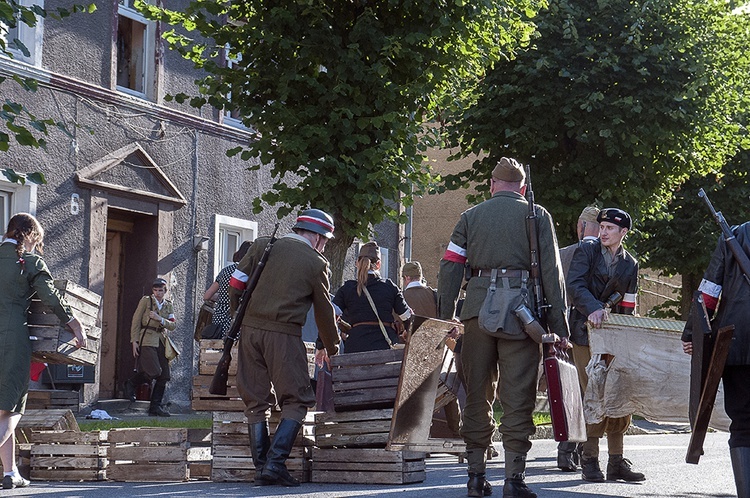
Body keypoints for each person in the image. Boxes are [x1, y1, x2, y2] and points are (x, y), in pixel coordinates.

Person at [437, 157, 568, 498]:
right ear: (522, 188)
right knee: (518, 396)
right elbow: (552, 273)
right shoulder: (538, 215)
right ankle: (514, 479)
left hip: (476, 312)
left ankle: (475, 476)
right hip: (522, 316)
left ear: (492, 185)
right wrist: (559, 326)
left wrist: (444, 315)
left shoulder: (471, 216)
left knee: (476, 393)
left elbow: (450, 267)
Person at [229, 209, 340, 487]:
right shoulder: (316, 262)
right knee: (297, 398)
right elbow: (324, 311)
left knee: (255, 400)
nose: (324, 245)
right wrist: (330, 345)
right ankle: (275, 464)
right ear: (316, 237)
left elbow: (236, 283)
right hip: (284, 334)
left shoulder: (261, 244)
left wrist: (238, 318)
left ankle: (261, 468)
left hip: (249, 332)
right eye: (325, 240)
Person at [0, 213, 86, 490]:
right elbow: (52, 297)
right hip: (12, 336)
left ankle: (10, 472)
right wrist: (77, 326)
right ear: (30, 235)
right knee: (12, 408)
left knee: (1, 410)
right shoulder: (29, 261)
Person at [567, 207, 643, 483]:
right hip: (584, 333)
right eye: (601, 227)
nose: (603, 232)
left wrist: (628, 337)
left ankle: (616, 460)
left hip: (615, 337)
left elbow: (629, 304)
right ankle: (589, 459)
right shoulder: (586, 252)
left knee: (618, 395)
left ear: (623, 232)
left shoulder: (630, 263)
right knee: (594, 394)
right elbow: (574, 286)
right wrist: (594, 309)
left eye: (610, 228)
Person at [681, 219, 750, 498]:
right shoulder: (730, 236)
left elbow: (708, 291)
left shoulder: (733, 235)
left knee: (743, 423)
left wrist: (691, 334)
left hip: (734, 343)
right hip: (735, 344)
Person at [555, 205, 600, 472]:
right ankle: (584, 449)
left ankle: (566, 450)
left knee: (567, 391)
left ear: (580, 226)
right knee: (588, 390)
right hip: (595, 329)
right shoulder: (608, 254)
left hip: (565, 330)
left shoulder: (563, 255)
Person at [402, 260, 462, 439]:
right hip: (436, 351)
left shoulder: (401, 297)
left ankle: (420, 435)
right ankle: (457, 431)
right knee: (446, 392)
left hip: (412, 353)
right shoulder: (434, 295)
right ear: (420, 276)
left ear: (406, 278)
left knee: (415, 395)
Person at [332, 242, 412, 353]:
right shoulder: (389, 287)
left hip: (355, 348)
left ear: (357, 263)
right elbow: (407, 318)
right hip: (384, 348)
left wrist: (322, 345)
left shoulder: (348, 288)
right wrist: (406, 333)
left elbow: (329, 316)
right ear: (378, 264)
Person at [124, 277, 177, 417]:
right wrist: (134, 341)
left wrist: (160, 319)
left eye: (160, 290)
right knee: (154, 371)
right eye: (155, 290)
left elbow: (172, 325)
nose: (158, 293)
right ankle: (131, 383)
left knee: (164, 375)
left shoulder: (168, 305)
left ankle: (155, 407)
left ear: (165, 291)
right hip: (147, 338)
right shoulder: (146, 301)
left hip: (161, 339)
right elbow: (135, 321)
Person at [204, 240, 253, 337]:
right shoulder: (249, 272)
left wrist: (223, 296)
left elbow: (207, 296)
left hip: (219, 322)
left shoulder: (225, 271)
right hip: (238, 322)